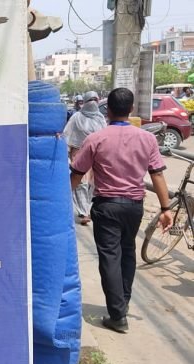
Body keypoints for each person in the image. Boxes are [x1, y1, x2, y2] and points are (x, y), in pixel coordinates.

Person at [70, 88, 173, 333]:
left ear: (108, 111)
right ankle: (122, 304)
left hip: (106, 206)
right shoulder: (147, 139)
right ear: (131, 109)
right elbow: (157, 174)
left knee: (110, 258)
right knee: (127, 253)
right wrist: (165, 208)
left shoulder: (96, 139)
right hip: (134, 207)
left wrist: (62, 202)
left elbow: (76, 174)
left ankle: (117, 315)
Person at [63, 91, 106, 225]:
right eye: (90, 100)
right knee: (80, 182)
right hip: (79, 153)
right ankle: (83, 212)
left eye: (95, 100)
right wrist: (66, 152)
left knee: (92, 183)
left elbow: (105, 135)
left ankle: (88, 207)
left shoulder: (100, 118)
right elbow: (67, 134)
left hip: (96, 154)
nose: (92, 102)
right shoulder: (76, 117)